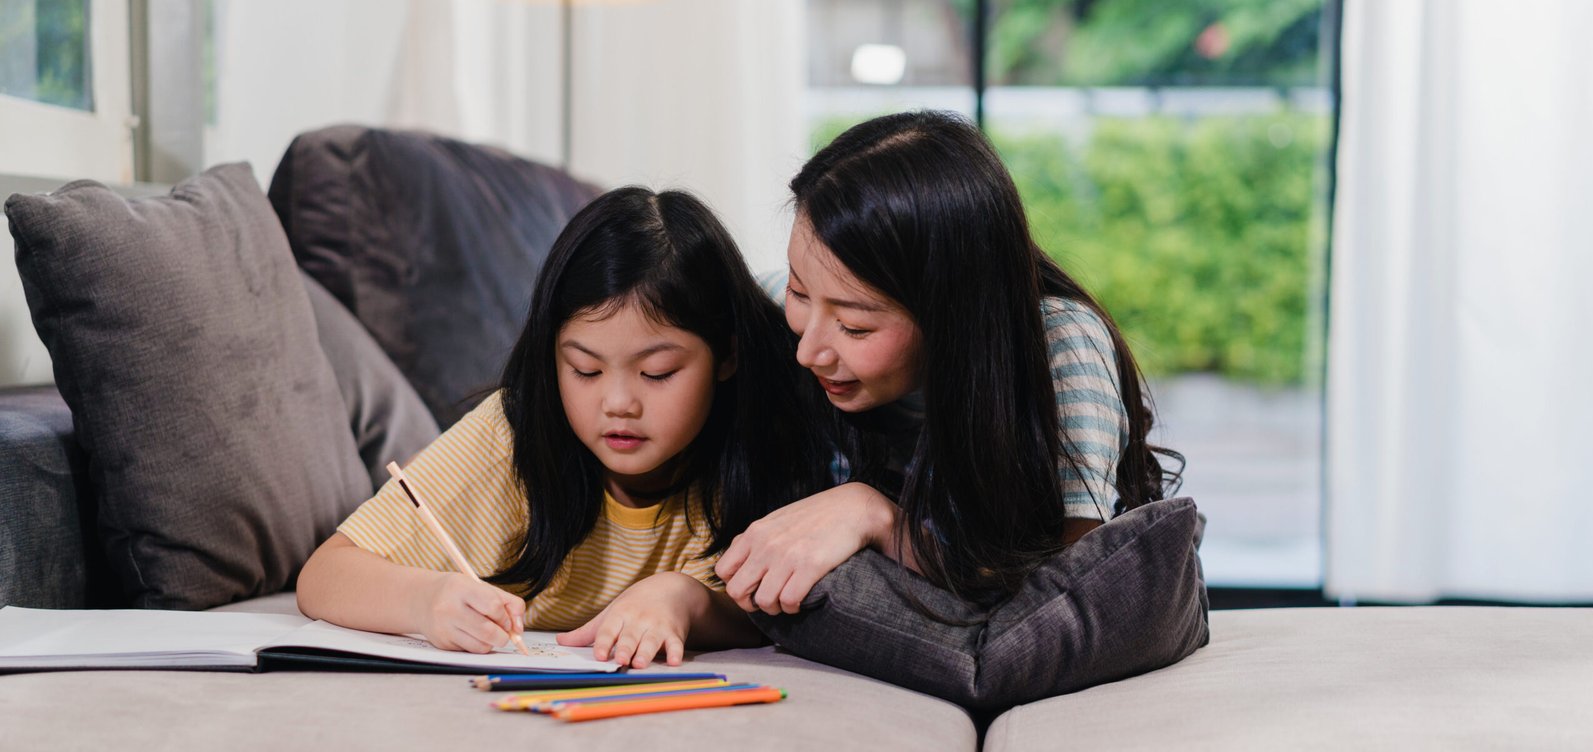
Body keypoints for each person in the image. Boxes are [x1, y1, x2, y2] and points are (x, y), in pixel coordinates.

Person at [713, 110, 1206, 709]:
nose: (809, 348)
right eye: (798, 291)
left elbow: (1062, 594)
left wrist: (874, 517)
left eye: (855, 326)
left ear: (953, 314)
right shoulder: (782, 317)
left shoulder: (1062, 349)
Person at [296, 186, 831, 669]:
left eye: (657, 373)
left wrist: (683, 598)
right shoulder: (508, 435)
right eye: (585, 370)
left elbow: (763, 610)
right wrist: (424, 601)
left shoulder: (764, 439)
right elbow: (323, 576)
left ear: (727, 357)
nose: (618, 403)